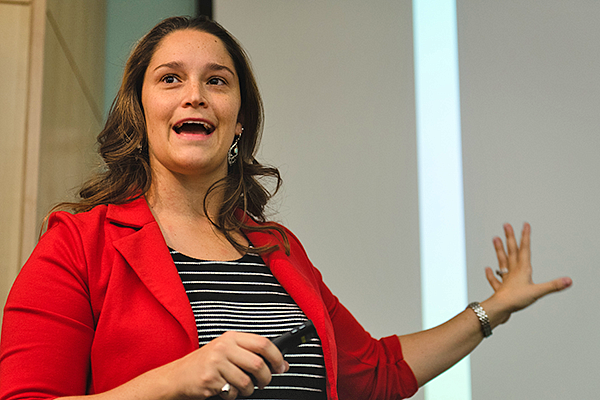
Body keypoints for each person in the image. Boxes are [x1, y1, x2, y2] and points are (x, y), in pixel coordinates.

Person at [0, 16, 572, 400]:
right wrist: (173, 380)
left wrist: (492, 311)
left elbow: (378, 374)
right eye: (170, 79)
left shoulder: (279, 249)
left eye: (217, 81)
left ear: (238, 117)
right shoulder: (79, 244)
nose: (194, 94)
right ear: (139, 112)